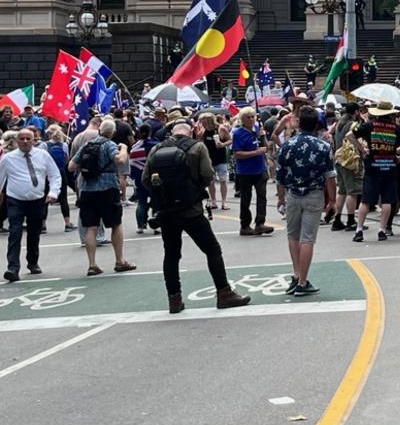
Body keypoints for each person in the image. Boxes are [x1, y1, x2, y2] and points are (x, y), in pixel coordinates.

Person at [144, 118, 251, 313]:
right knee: (212, 249)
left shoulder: (156, 150)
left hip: (167, 211)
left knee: (171, 254)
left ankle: (174, 299)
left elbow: (146, 179)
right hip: (191, 209)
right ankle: (223, 292)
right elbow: (208, 175)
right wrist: (191, 190)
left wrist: (164, 195)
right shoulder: (198, 147)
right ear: (191, 131)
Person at [275, 106, 336, 297]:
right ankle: (302, 281)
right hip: (314, 194)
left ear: (299, 123)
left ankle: (296, 274)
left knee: (293, 236)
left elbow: (280, 176)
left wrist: (281, 198)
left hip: (293, 194)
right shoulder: (323, 147)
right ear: (317, 124)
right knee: (308, 238)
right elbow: (330, 176)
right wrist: (332, 201)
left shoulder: (287, 145)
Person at [68, 119, 136, 276]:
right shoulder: (110, 145)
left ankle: (92, 264)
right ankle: (119, 261)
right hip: (107, 188)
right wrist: (124, 149)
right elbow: (119, 160)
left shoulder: (87, 145)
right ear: (113, 132)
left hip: (87, 189)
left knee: (91, 227)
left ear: (99, 130)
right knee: (116, 224)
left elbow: (71, 166)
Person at [1, 128, 61, 282]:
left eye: (29, 139)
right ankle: (12, 268)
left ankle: (33, 262)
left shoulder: (43, 155)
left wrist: (53, 192)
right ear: (17, 141)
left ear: (34, 140)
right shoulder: (8, 159)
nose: (25, 142)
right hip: (15, 200)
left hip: (37, 200)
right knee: (15, 232)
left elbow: (54, 175)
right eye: (22, 139)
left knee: (34, 232)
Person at [352, 100, 400, 242]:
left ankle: (359, 230)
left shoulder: (369, 126)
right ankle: (382, 230)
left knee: (366, 200)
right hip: (390, 167)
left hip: (372, 166)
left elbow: (350, 135)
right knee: (387, 200)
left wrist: (362, 149)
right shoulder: (396, 128)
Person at [231, 108, 274, 236]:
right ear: (242, 119)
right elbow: (237, 154)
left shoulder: (256, 129)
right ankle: (245, 224)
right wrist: (255, 153)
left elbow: (266, 147)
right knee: (246, 198)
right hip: (245, 171)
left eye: (252, 117)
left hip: (259, 168)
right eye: (248, 117)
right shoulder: (238, 133)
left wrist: (263, 136)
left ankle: (260, 223)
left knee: (262, 197)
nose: (251, 119)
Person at [331, 103, 363, 231]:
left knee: (342, 191)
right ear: (356, 112)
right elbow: (355, 140)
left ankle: (337, 219)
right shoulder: (353, 125)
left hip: (339, 160)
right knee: (352, 192)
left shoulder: (339, 123)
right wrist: (362, 149)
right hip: (350, 161)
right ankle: (351, 220)